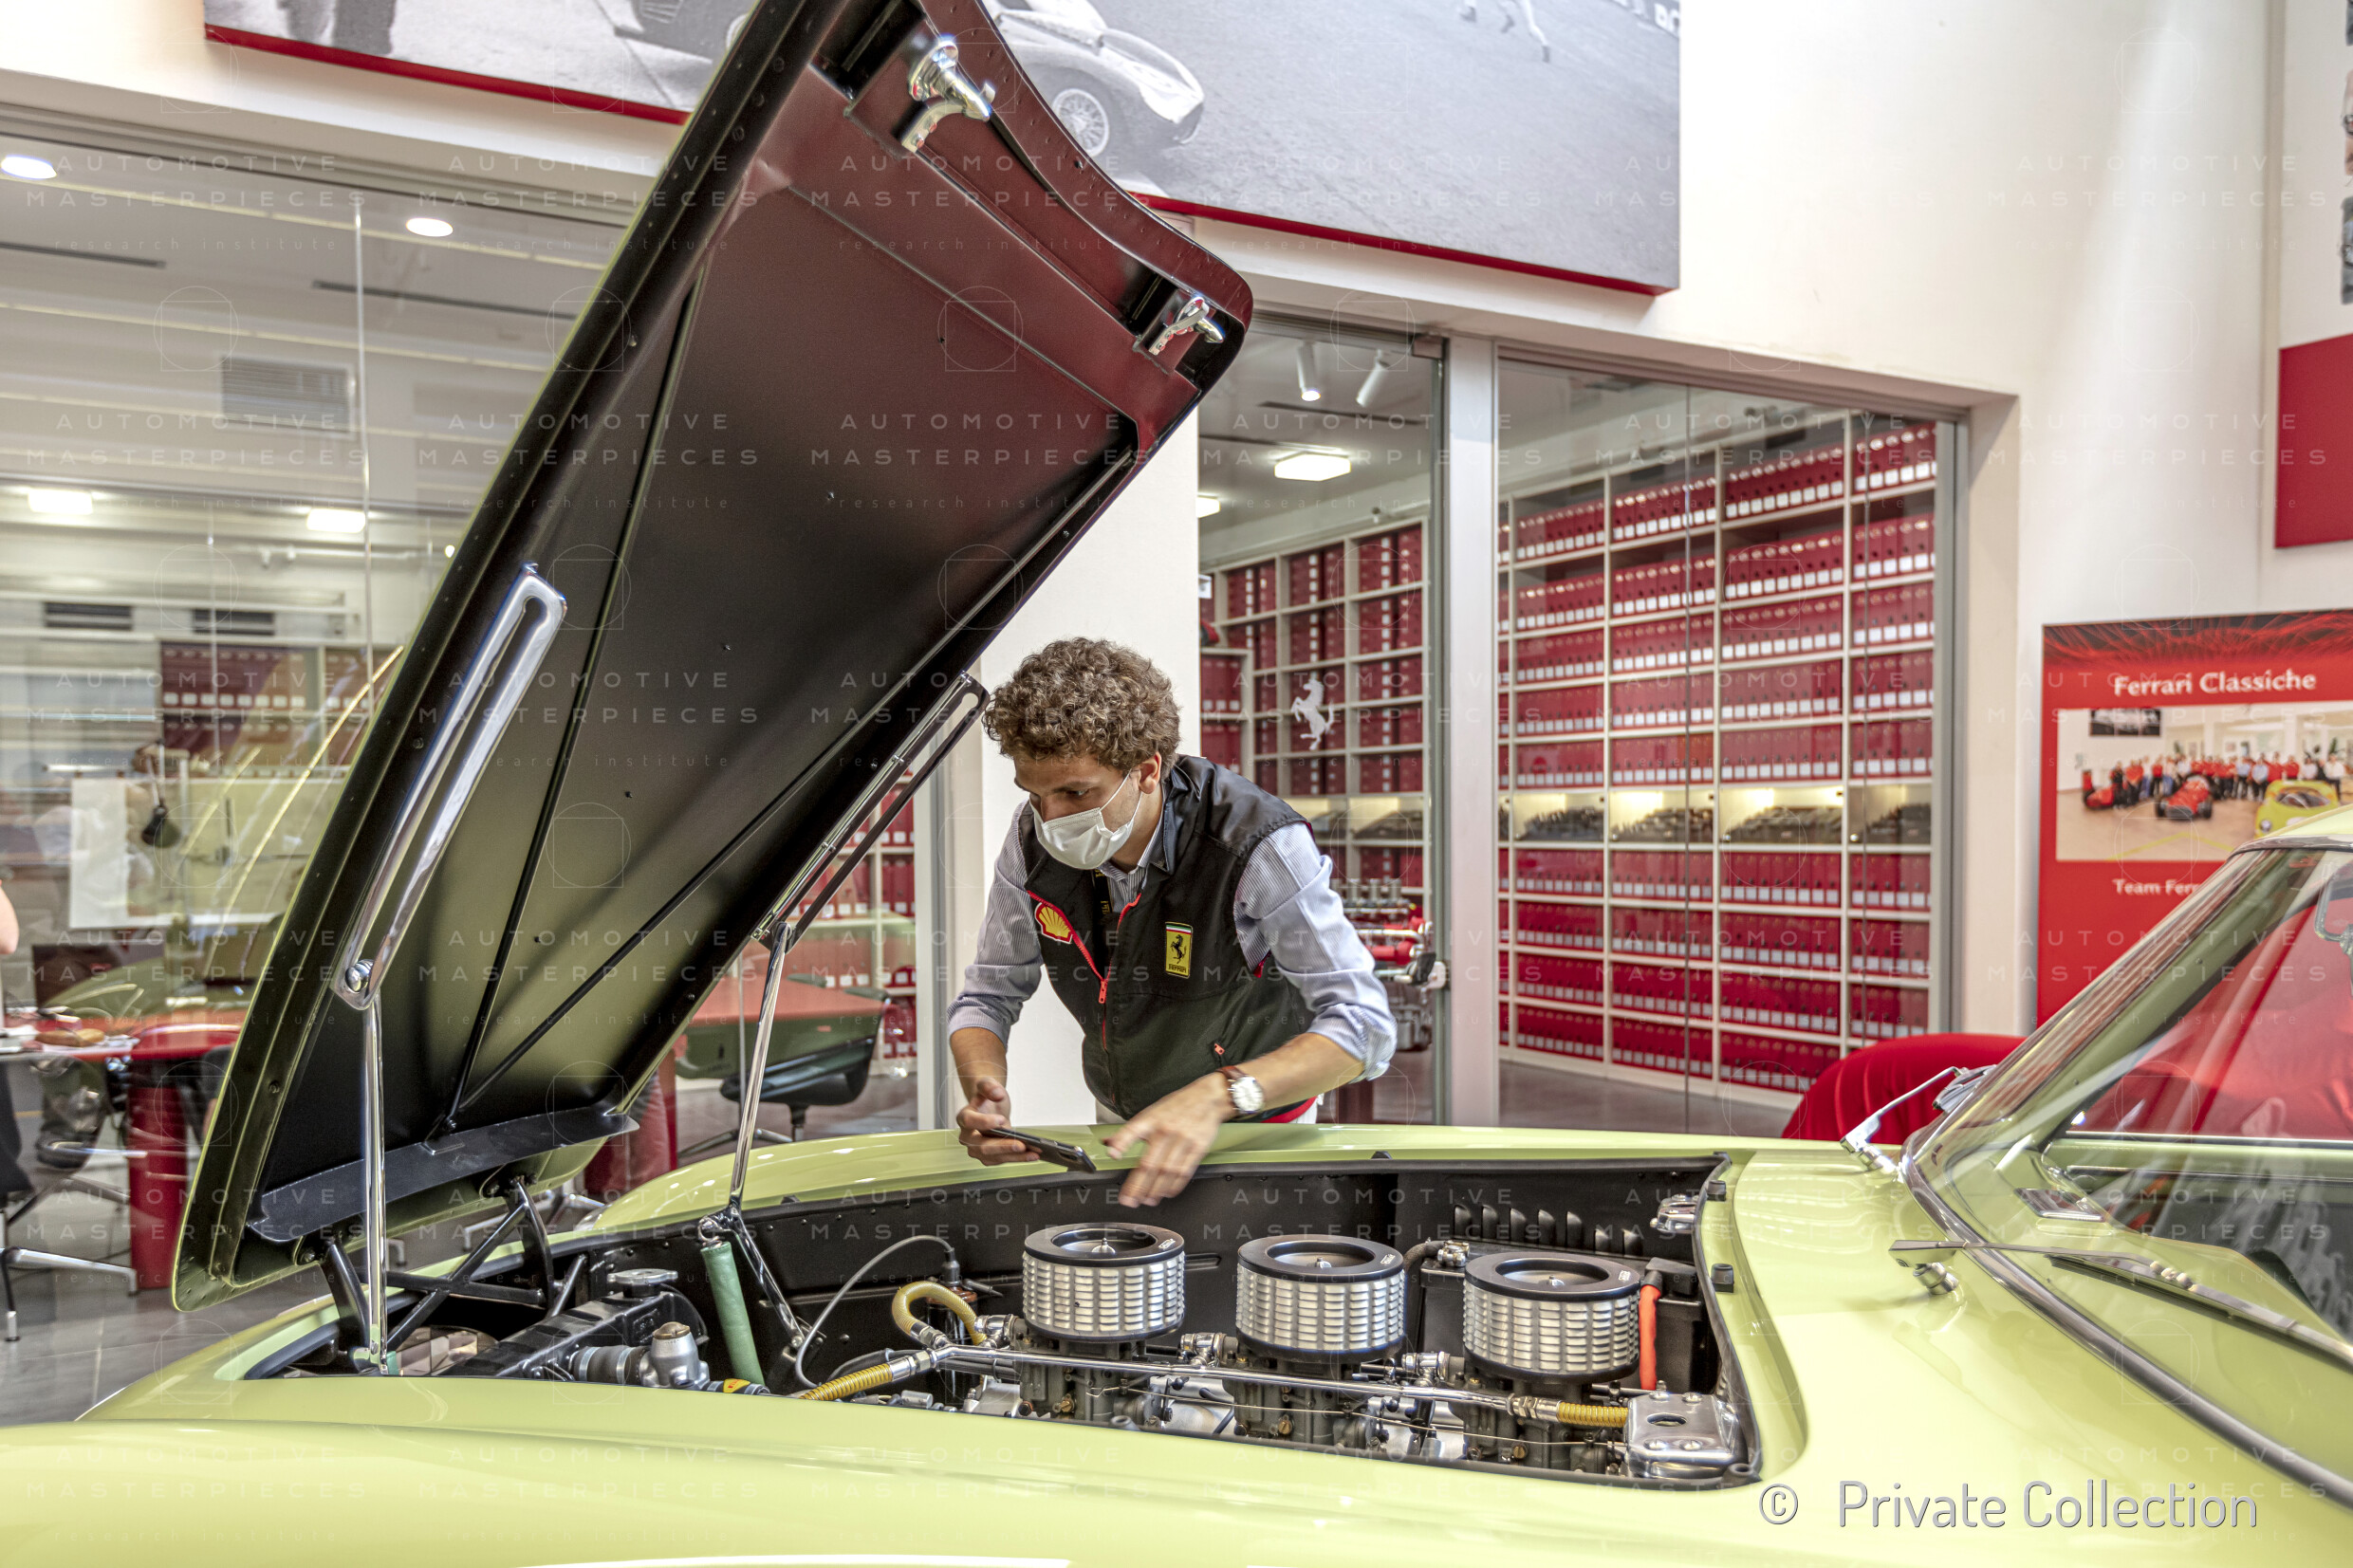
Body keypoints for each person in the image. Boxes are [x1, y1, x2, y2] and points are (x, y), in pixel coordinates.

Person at [947, 638, 1397, 1208]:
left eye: (1075, 792)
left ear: (1146, 770)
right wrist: (984, 1090)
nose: (1052, 818)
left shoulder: (1254, 844)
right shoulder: (1029, 841)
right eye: (1035, 795)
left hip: (1259, 1128)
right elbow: (987, 995)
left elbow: (1366, 1028)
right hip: (1126, 1121)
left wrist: (1219, 1096)